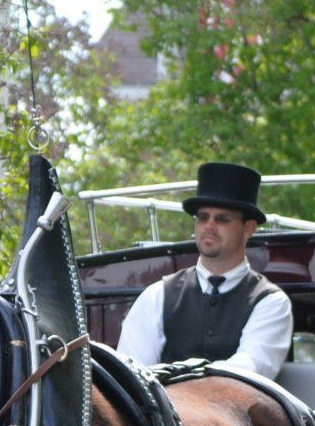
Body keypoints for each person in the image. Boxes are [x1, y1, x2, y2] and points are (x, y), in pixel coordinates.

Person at [116, 162, 294, 378]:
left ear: (249, 228)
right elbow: (132, 375)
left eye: (222, 219)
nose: (209, 225)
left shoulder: (270, 302)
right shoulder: (158, 295)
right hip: (162, 411)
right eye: (202, 217)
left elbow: (248, 374)